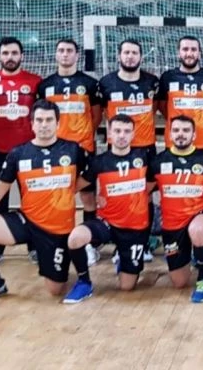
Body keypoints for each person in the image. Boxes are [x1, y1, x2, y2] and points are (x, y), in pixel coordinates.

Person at [0, 100, 86, 302]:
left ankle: (60, 265)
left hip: (57, 230)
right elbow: (0, 187)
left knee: (55, 290)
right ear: (32, 124)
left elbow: (88, 177)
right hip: (27, 220)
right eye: (39, 120)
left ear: (57, 123)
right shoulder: (18, 153)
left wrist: (66, 190)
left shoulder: (73, 150)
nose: (44, 124)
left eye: (49, 120)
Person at [61, 114, 153, 303]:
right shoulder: (98, 162)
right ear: (109, 133)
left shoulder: (144, 158)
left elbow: (153, 183)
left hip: (135, 228)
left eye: (126, 131)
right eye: (117, 131)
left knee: (127, 286)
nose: (122, 135)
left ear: (133, 134)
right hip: (107, 223)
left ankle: (123, 259)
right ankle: (84, 282)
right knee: (75, 238)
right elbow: (74, 187)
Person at [0, 36, 42, 262]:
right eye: (5, 53)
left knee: (32, 201)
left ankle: (35, 246)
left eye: (14, 53)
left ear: (22, 55)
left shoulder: (35, 82)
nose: (10, 57)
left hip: (29, 151)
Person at [38, 38, 102, 265]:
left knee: (88, 197)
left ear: (77, 55)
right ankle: (53, 242)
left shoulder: (90, 84)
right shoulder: (45, 85)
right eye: (61, 50)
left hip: (83, 149)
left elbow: (96, 116)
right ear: (56, 54)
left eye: (69, 51)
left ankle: (89, 244)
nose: (65, 54)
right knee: (55, 198)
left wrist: (82, 139)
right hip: (54, 151)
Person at [97, 38, 161, 262]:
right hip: (117, 150)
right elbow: (100, 113)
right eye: (126, 52)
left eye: (134, 53)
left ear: (141, 56)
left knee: (146, 195)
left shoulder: (151, 82)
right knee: (119, 195)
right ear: (119, 56)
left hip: (145, 148)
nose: (130, 56)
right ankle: (120, 245)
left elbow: (155, 109)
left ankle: (144, 244)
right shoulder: (106, 83)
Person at [151, 115, 203, 302]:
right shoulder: (158, 162)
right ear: (170, 134)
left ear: (194, 135)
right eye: (177, 130)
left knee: (197, 230)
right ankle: (196, 256)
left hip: (200, 214)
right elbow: (143, 191)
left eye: (186, 130)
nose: (181, 134)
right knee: (179, 282)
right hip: (172, 223)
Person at [157, 36, 203, 151]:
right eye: (185, 49)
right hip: (175, 141)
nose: (189, 53)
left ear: (199, 54)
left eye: (193, 50)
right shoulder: (168, 77)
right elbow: (162, 106)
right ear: (178, 53)